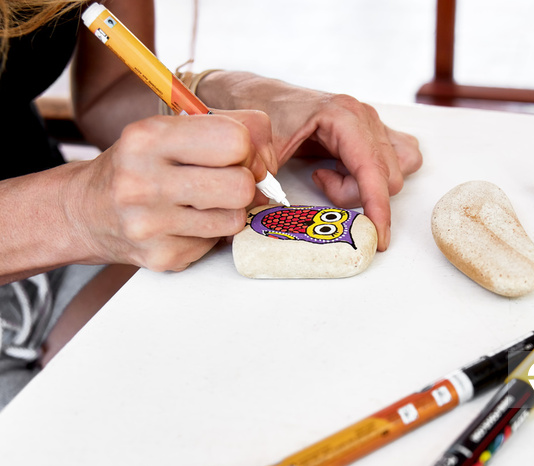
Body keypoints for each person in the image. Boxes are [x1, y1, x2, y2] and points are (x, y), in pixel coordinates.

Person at [0, 0, 422, 409]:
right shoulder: (78, 215)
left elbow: (109, 93)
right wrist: (73, 212)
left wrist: (236, 94)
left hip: (66, 260)